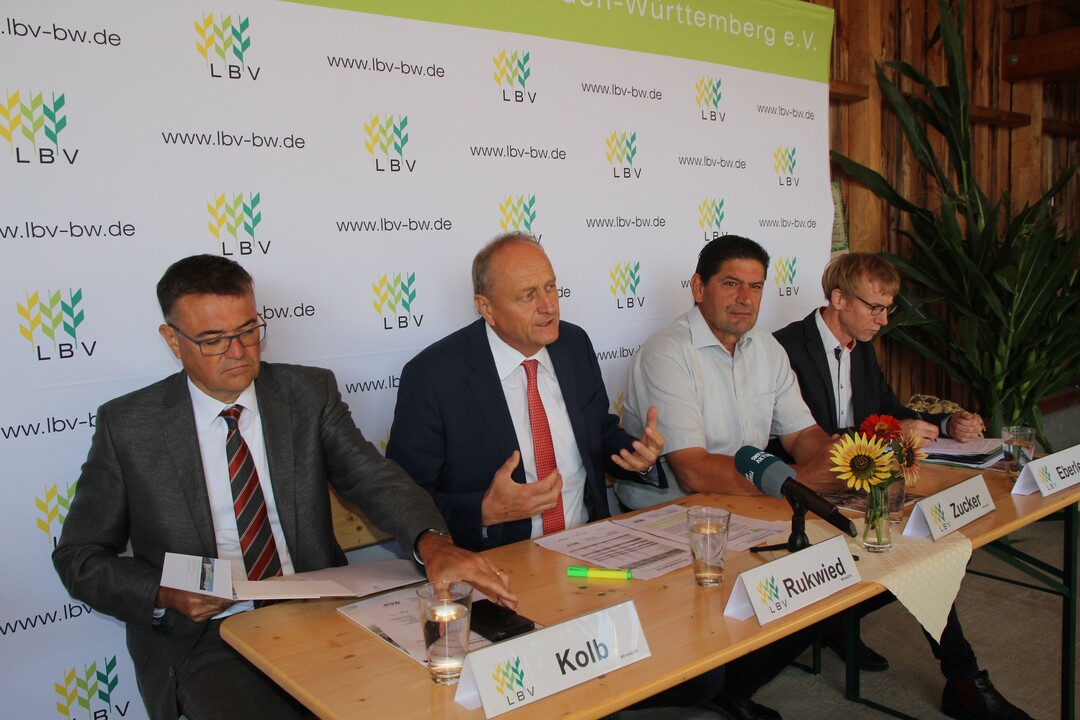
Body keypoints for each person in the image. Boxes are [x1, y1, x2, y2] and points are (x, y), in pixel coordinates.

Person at [53, 255, 514, 720]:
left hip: (321, 613)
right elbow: (79, 557)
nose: (238, 351)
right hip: (210, 638)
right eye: (213, 340)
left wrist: (431, 543)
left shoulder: (306, 394)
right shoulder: (129, 425)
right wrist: (162, 591)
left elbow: (372, 478)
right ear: (172, 340)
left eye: (248, 330)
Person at [773, 252, 1030, 720]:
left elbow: (888, 409)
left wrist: (945, 422)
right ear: (837, 299)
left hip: (864, 484)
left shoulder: (862, 344)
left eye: (888, 308)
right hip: (807, 491)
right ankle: (964, 678)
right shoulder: (785, 347)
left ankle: (842, 626)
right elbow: (799, 442)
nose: (883, 319)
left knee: (932, 545)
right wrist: (889, 436)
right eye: (875, 307)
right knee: (921, 553)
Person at [616, 235, 840, 720]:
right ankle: (719, 684)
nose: (745, 298)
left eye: (756, 287)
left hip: (749, 509)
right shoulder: (667, 351)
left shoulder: (768, 349)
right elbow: (693, 469)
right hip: (666, 521)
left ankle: (734, 688)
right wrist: (798, 481)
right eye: (732, 284)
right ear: (698, 287)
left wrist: (831, 460)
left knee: (835, 570)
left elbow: (803, 432)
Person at [387, 232, 664, 552]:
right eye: (528, 296)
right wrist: (483, 511)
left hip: (590, 547)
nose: (549, 306)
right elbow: (403, 496)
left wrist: (634, 454)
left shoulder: (574, 346)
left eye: (550, 287)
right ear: (486, 308)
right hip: (497, 563)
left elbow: (597, 434)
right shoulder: (433, 376)